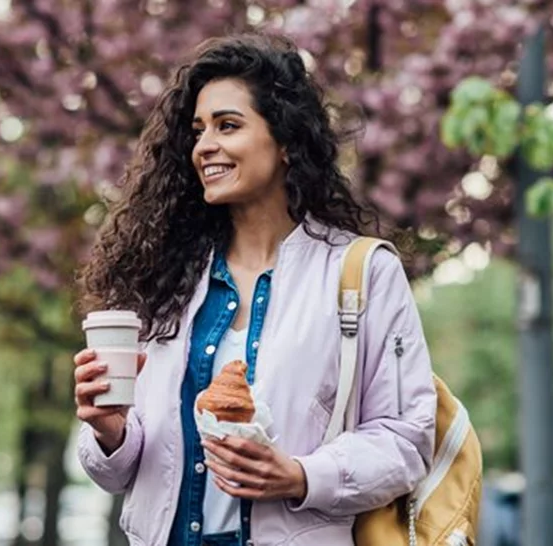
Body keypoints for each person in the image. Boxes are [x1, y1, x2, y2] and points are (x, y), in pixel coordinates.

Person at [73, 33, 437, 546]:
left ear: (286, 141)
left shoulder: (361, 272)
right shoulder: (165, 278)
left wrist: (302, 476)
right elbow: (122, 473)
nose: (205, 146)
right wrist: (110, 430)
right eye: (198, 130)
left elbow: (407, 440)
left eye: (228, 125)